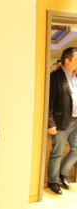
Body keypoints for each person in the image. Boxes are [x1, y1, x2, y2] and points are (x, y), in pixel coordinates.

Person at [47, 47, 77, 195]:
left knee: (76, 149)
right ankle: (52, 181)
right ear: (67, 60)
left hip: (76, 120)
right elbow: (49, 102)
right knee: (57, 153)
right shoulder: (55, 77)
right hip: (61, 120)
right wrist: (50, 123)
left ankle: (63, 173)